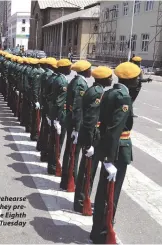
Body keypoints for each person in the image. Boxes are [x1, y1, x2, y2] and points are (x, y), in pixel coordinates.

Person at [90, 62, 139, 244]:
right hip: (118, 150)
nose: (138, 80)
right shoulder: (123, 97)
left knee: (103, 191)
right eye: (137, 78)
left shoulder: (110, 93)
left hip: (108, 148)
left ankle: (97, 231)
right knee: (111, 194)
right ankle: (103, 232)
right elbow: (114, 129)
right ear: (132, 79)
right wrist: (110, 159)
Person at [74, 66, 113, 214]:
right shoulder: (97, 93)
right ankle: (81, 201)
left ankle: (82, 199)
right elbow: (91, 119)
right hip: (91, 137)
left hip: (90, 135)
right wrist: (90, 143)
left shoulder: (95, 90)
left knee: (87, 169)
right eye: (109, 77)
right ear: (103, 79)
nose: (111, 79)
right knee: (87, 171)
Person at [60, 60, 91, 190]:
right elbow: (78, 108)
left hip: (71, 121)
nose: (91, 71)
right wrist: (77, 129)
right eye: (89, 69)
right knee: (73, 152)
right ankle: (70, 179)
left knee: (70, 150)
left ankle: (66, 179)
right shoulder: (80, 84)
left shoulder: (76, 80)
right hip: (75, 123)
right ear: (85, 70)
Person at [48, 59, 72, 176]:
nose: (70, 69)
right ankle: (53, 167)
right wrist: (57, 119)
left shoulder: (57, 78)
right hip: (59, 115)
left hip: (54, 114)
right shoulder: (62, 81)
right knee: (58, 142)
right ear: (64, 68)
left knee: (54, 141)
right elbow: (59, 102)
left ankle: (51, 165)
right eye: (68, 67)